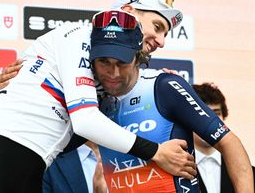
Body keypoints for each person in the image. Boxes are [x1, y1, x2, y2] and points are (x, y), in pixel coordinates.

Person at [0, 0, 196, 193]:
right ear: (128, 12)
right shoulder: (81, 37)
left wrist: (155, 84)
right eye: (157, 26)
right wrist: (156, 152)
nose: (162, 40)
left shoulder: (108, 69)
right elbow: (85, 121)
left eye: (165, 33)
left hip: (31, 162)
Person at [87, 11, 253, 192]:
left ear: (137, 57)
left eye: (122, 63)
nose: (113, 73)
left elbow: (229, 143)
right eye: (104, 62)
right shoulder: (94, 102)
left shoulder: (164, 86)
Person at [192, 83, 255, 193]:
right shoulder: (175, 171)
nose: (210, 122)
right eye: (202, 114)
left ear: (223, 116)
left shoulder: (251, 175)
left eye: (216, 114)